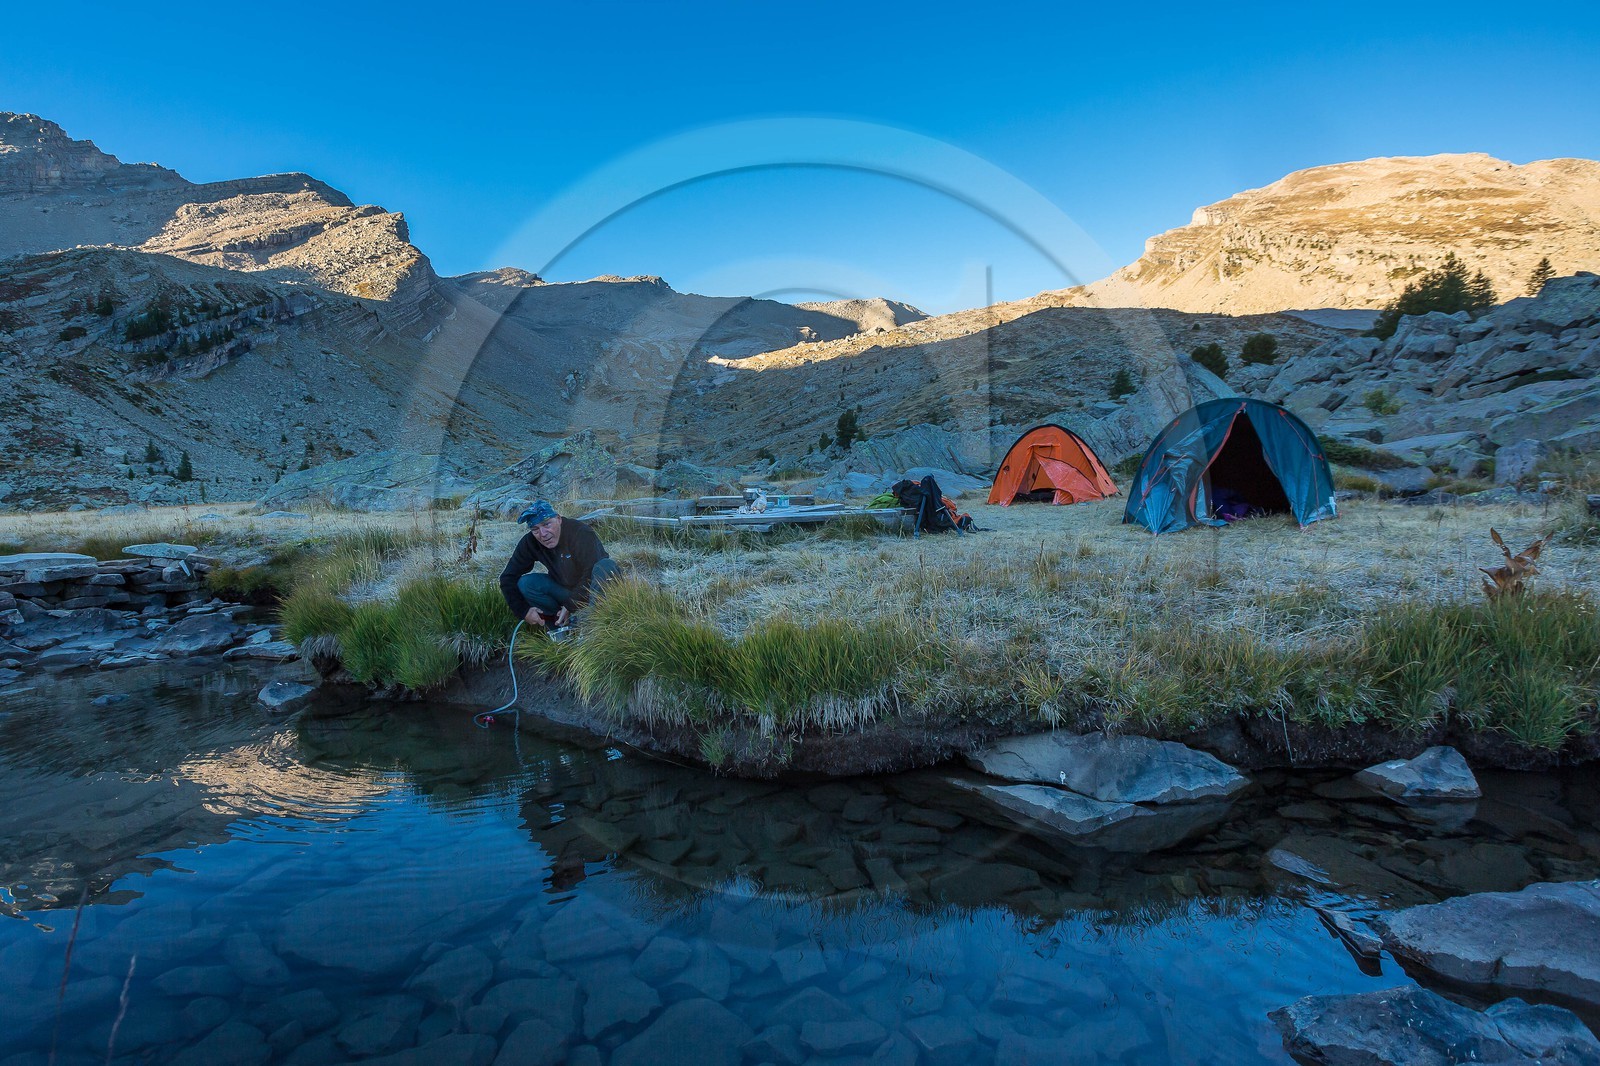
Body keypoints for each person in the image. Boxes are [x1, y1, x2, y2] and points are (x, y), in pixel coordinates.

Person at [498, 500, 619, 630]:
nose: (543, 534)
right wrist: (523, 611)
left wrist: (570, 604)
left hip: (594, 593)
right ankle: (560, 627)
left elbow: (591, 571)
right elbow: (507, 578)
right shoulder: (530, 542)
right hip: (565, 593)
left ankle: (597, 625)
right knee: (526, 583)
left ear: (559, 519)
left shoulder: (580, 532)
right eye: (535, 529)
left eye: (547, 524)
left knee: (606, 566)